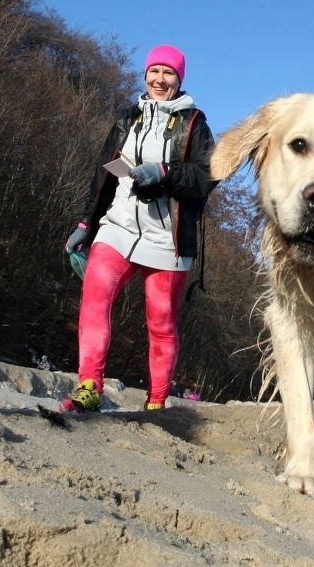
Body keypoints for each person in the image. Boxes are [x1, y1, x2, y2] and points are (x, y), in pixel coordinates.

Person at [62, 44, 217, 412]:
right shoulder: (126, 118)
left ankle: (157, 402)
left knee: (161, 322)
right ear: (145, 74)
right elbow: (104, 173)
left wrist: (164, 173)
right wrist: (87, 223)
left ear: (179, 80)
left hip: (169, 238)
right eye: (155, 72)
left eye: (169, 74)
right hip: (118, 226)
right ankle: (88, 385)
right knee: (95, 297)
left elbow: (207, 177)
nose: (160, 80)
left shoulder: (195, 124)